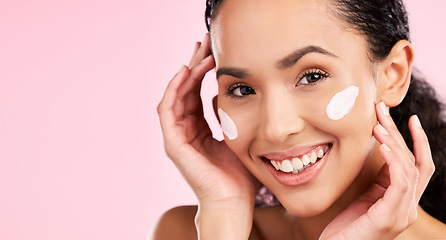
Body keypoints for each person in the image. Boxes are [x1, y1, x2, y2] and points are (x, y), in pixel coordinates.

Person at [153, 0, 446, 239]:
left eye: (312, 76)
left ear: (392, 75)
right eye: (242, 89)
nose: (276, 129)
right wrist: (224, 212)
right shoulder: (191, 232)